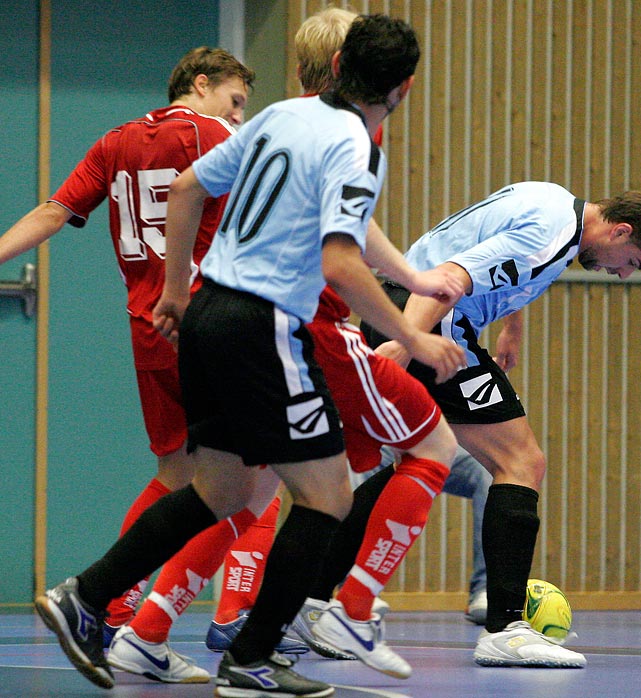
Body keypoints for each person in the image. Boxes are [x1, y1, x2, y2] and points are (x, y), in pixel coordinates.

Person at [34, 14, 466, 696]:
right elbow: (341, 260)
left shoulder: (279, 119)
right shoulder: (357, 144)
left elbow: (187, 190)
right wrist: (412, 336)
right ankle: (252, 658)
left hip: (207, 314)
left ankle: (85, 596)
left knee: (223, 490)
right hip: (264, 326)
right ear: (403, 88)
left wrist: (174, 293)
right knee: (328, 495)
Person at [0, 47, 300, 683]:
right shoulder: (217, 135)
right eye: (236, 99)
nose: (239, 114)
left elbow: (55, 211)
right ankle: (213, 626)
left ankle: (110, 610)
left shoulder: (116, 141)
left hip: (147, 324)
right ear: (200, 83)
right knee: (260, 476)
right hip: (207, 322)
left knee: (176, 473)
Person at [362, 181, 641, 668]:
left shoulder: (555, 204)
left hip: (415, 308)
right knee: (521, 461)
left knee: (405, 460)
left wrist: (511, 325)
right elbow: (454, 273)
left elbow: (490, 257)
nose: (622, 276)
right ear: (620, 231)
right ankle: (504, 627)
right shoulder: (553, 232)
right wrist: (406, 343)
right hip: (430, 318)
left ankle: (320, 599)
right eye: (632, 262)